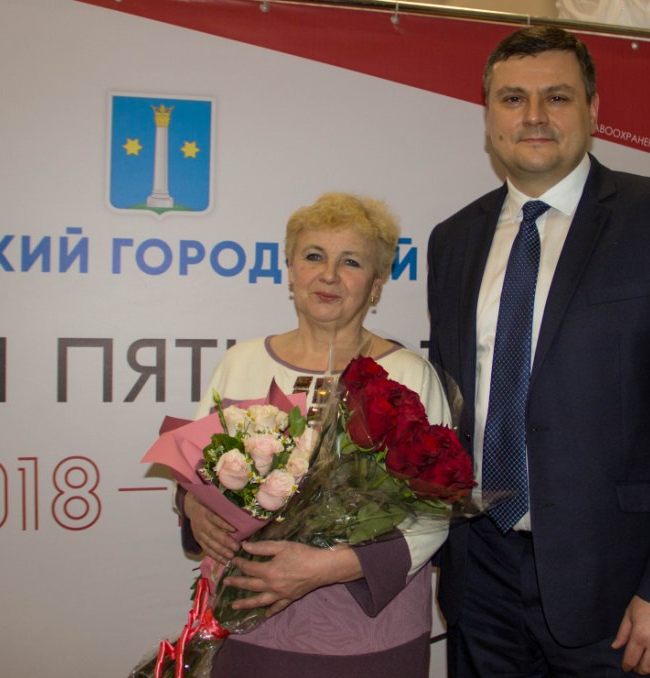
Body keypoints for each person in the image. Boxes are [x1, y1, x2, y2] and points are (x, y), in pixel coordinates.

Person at [427, 26, 650, 677]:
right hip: (478, 578)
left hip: (617, 589)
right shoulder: (453, 239)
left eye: (557, 97)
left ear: (594, 109)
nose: (534, 116)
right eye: (513, 99)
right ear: (488, 118)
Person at [178, 192, 450, 678]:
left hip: (368, 639)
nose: (328, 275)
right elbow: (196, 471)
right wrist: (194, 506)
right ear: (290, 271)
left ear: (376, 285)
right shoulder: (240, 362)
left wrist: (329, 566)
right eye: (313, 256)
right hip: (243, 625)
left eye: (351, 262)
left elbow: (434, 512)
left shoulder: (409, 375)